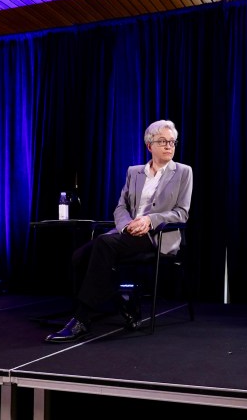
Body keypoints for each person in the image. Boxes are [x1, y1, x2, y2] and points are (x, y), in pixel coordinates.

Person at [45, 120, 193, 342]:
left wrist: (149, 220)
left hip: (155, 237)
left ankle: (82, 319)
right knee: (79, 257)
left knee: (104, 245)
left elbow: (182, 213)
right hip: (126, 233)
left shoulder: (183, 172)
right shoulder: (134, 172)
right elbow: (121, 206)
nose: (169, 146)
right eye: (162, 141)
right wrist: (126, 225)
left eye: (172, 141)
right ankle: (122, 299)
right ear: (149, 145)